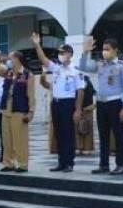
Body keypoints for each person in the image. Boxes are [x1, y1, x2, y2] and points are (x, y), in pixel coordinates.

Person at [31, 32, 84, 173]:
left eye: (63, 53)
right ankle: (61, 162)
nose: (61, 55)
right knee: (59, 134)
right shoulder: (56, 68)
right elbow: (43, 60)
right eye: (60, 53)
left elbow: (80, 91)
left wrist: (78, 110)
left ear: (70, 54)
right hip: (56, 103)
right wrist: (37, 45)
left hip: (68, 104)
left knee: (68, 134)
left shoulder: (76, 70)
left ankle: (69, 163)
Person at [79, 37, 123, 175]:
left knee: (119, 135)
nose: (104, 52)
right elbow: (84, 67)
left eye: (107, 49)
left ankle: (121, 165)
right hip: (101, 104)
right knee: (103, 135)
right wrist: (85, 52)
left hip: (116, 104)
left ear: (115, 50)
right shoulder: (101, 64)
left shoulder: (122, 66)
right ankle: (104, 165)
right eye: (103, 49)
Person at [0, 40, 35, 173]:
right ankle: (8, 163)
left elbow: (31, 95)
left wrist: (31, 112)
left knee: (20, 140)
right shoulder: (7, 72)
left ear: (18, 59)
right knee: (7, 140)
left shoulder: (27, 75)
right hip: (6, 110)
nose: (8, 60)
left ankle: (22, 164)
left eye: (11, 58)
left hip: (19, 110)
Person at [77, 75, 96, 156]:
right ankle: (82, 147)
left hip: (87, 108)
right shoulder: (87, 82)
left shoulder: (86, 82)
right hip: (84, 107)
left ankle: (85, 148)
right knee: (81, 128)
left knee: (85, 128)